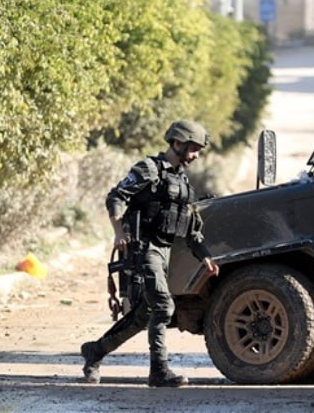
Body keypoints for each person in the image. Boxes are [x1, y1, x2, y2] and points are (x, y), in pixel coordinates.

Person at [80, 120, 220, 387]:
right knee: (163, 306)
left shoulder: (181, 181)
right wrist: (118, 231)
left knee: (144, 313)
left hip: (164, 251)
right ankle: (159, 372)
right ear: (177, 144)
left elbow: (191, 229)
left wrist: (204, 255)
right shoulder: (149, 169)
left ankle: (95, 351)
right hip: (144, 247)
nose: (196, 156)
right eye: (193, 149)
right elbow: (116, 196)